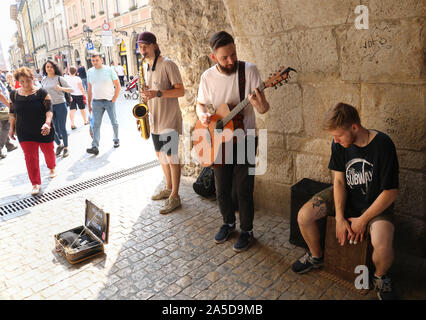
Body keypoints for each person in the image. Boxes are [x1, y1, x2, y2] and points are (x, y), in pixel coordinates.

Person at [291, 103, 399, 300]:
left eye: (338, 135)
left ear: (354, 127)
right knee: (304, 216)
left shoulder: (383, 145)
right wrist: (340, 218)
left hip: (375, 203)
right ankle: (316, 256)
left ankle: (380, 277)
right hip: (346, 194)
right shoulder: (339, 144)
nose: (335, 140)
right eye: (333, 136)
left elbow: (390, 192)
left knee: (382, 247)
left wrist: (362, 220)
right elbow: (339, 181)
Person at [196, 31, 270, 252]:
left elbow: (264, 108)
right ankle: (228, 223)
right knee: (222, 188)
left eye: (233, 54)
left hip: (245, 138)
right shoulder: (207, 77)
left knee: (243, 189)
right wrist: (202, 115)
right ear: (213, 58)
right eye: (224, 57)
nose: (230, 60)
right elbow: (200, 104)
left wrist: (258, 104)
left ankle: (247, 230)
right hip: (218, 139)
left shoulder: (249, 71)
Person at [138, 31, 185, 215]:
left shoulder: (168, 64)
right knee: (160, 155)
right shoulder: (146, 66)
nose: (142, 49)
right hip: (155, 119)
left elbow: (180, 91)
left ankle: (175, 196)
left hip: (169, 118)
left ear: (154, 46)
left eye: (146, 46)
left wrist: (158, 93)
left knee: (171, 157)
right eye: (140, 46)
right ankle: (168, 187)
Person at [8, 67, 56, 196]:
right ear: (18, 81)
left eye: (28, 81)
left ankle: (51, 167)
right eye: (22, 81)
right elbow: (12, 113)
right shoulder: (14, 94)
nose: (25, 84)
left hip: (43, 129)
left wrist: (47, 123)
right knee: (30, 158)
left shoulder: (41, 92)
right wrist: (11, 129)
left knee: (48, 151)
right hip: (24, 131)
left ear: (33, 79)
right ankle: (35, 183)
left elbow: (49, 110)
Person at [86, 52, 120, 155]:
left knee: (114, 122)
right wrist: (89, 103)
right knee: (96, 124)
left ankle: (116, 139)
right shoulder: (90, 72)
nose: (95, 62)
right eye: (93, 61)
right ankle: (95, 146)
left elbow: (117, 85)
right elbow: (89, 88)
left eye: (97, 60)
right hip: (96, 102)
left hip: (109, 101)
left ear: (101, 60)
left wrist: (114, 99)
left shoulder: (109, 70)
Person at [41, 60, 72, 158]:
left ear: (54, 68)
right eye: (47, 67)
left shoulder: (59, 78)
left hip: (60, 105)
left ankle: (66, 147)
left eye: (51, 66)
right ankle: (59, 145)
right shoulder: (43, 80)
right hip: (49, 106)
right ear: (45, 69)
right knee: (51, 128)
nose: (49, 68)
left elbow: (71, 89)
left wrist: (61, 88)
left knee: (62, 127)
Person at [0, 81, 18, 159]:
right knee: (6, 126)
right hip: (1, 108)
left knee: (3, 126)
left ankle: (8, 145)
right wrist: (9, 106)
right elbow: (0, 95)